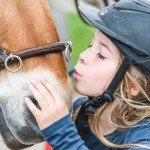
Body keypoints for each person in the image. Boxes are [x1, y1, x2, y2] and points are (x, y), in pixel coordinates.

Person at [25, 0, 150, 149]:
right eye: (90, 45)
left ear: (132, 86)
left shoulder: (143, 140)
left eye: (101, 55)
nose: (83, 55)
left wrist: (61, 133)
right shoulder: (80, 112)